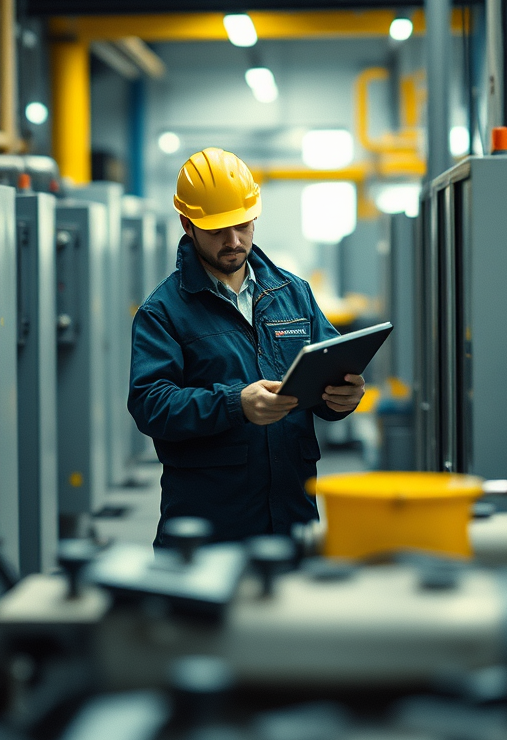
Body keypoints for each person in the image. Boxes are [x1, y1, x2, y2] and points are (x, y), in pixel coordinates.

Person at [128, 146, 366, 546]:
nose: (234, 241)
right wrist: (236, 404)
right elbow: (151, 405)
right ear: (187, 225)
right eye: (217, 230)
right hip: (209, 525)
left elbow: (328, 372)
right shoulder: (163, 311)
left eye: (242, 225)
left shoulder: (293, 292)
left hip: (292, 517)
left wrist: (344, 398)